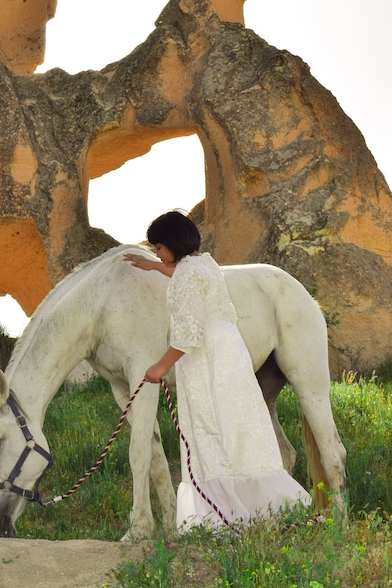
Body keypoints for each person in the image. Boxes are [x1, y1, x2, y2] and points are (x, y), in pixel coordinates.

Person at [123, 211, 311, 531]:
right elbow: (180, 271)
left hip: (205, 358)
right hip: (230, 351)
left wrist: (160, 366)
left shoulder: (187, 275)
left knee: (207, 427)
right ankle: (262, 507)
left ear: (171, 244)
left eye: (158, 249)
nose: (157, 254)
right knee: (236, 427)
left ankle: (218, 518)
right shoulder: (203, 264)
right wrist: (155, 266)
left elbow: (188, 335)